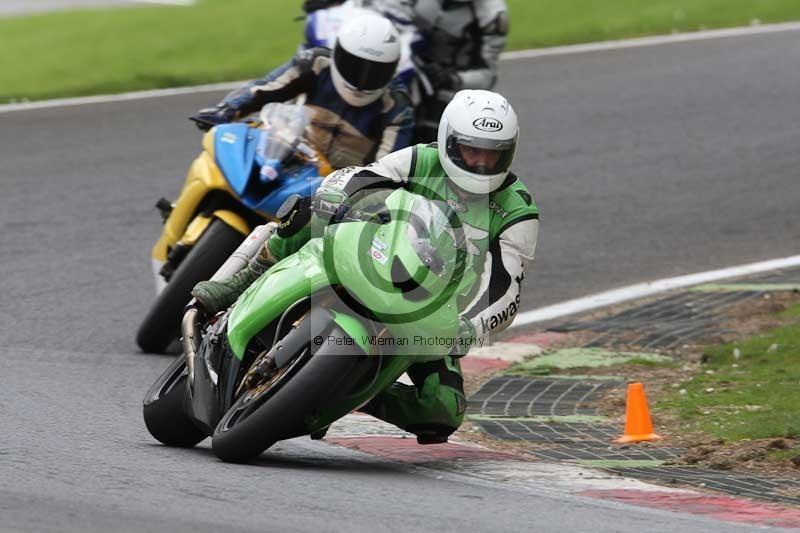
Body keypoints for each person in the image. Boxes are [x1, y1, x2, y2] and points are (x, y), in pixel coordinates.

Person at [192, 90, 538, 445]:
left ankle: (347, 393)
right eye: (471, 149)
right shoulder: (422, 159)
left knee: (443, 410)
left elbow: (505, 288)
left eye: (493, 154)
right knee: (306, 211)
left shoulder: (516, 210)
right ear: (449, 141)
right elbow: (365, 176)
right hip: (374, 252)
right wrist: (337, 197)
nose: (481, 162)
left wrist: (468, 328)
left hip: (431, 311)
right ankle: (239, 283)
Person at [191, 12, 414, 169]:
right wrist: (228, 109)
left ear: (392, 70)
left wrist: (365, 190)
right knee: (213, 161)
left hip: (334, 191)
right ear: (337, 53)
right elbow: (266, 88)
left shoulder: (397, 106)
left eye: (376, 71)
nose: (361, 80)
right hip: (286, 153)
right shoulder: (316, 63)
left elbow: (389, 165)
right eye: (354, 66)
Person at [302, 0, 509, 141]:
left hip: (448, 86)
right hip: (405, 66)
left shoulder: (493, 17)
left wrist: (451, 78)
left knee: (434, 144)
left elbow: (488, 74)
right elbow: (379, 10)